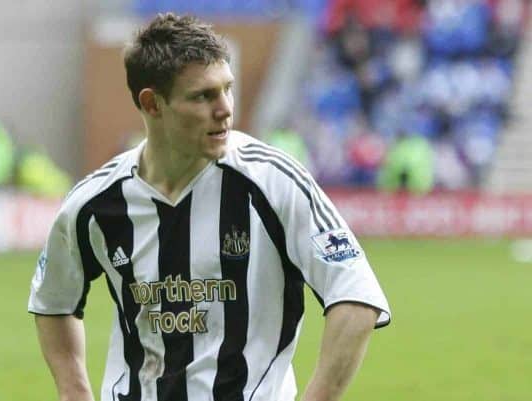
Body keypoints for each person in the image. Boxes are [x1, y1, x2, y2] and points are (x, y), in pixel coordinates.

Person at [28, 13, 391, 401]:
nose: (225, 109)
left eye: (227, 89)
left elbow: (355, 296)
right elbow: (54, 300)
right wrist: (74, 390)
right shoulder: (95, 203)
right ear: (152, 104)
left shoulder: (273, 181)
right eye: (203, 96)